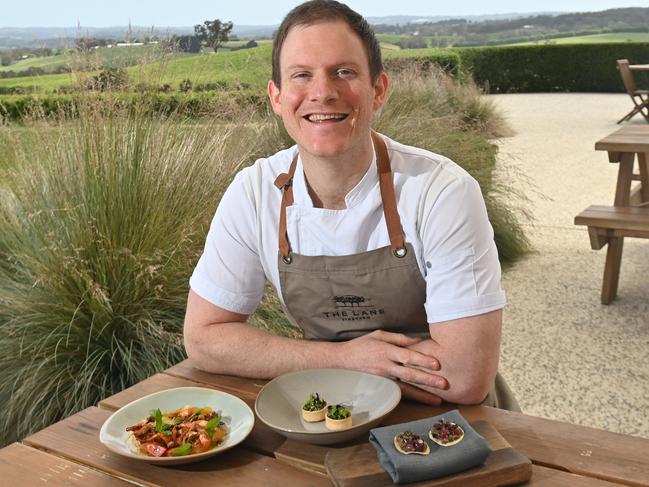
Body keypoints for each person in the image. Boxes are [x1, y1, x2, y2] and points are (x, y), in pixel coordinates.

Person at [184, 0, 518, 410]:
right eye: (301, 75)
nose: (322, 93)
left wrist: (325, 364)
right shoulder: (254, 193)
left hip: (451, 422)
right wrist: (344, 360)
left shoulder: (440, 191)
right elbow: (204, 338)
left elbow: (465, 376)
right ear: (276, 96)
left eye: (344, 72)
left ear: (378, 90)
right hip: (327, 411)